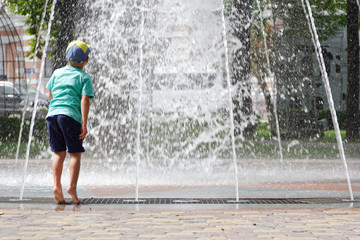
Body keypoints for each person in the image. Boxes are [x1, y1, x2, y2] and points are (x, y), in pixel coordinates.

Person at [46, 40, 94, 204]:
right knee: (74, 153)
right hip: (70, 117)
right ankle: (72, 187)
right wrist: (84, 123)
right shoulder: (84, 77)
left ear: (66, 58)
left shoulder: (57, 73)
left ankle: (56, 185)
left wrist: (55, 106)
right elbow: (85, 100)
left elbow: (50, 93)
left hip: (52, 116)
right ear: (86, 60)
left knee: (58, 153)